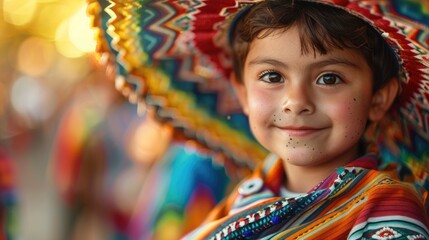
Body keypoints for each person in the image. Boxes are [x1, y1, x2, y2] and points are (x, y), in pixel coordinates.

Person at [87, 0, 429, 239]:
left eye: (329, 79)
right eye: (272, 77)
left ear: (379, 98)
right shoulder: (244, 199)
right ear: (242, 92)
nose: (296, 102)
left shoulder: (388, 212)